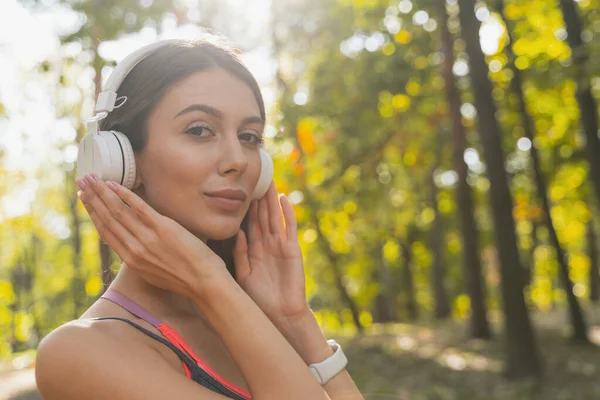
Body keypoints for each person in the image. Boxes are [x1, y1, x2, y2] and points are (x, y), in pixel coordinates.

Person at [34, 37, 364, 399]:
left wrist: (296, 322)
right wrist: (210, 281)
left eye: (250, 136)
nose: (237, 159)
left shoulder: (248, 322)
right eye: (199, 130)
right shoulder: (79, 352)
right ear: (122, 159)